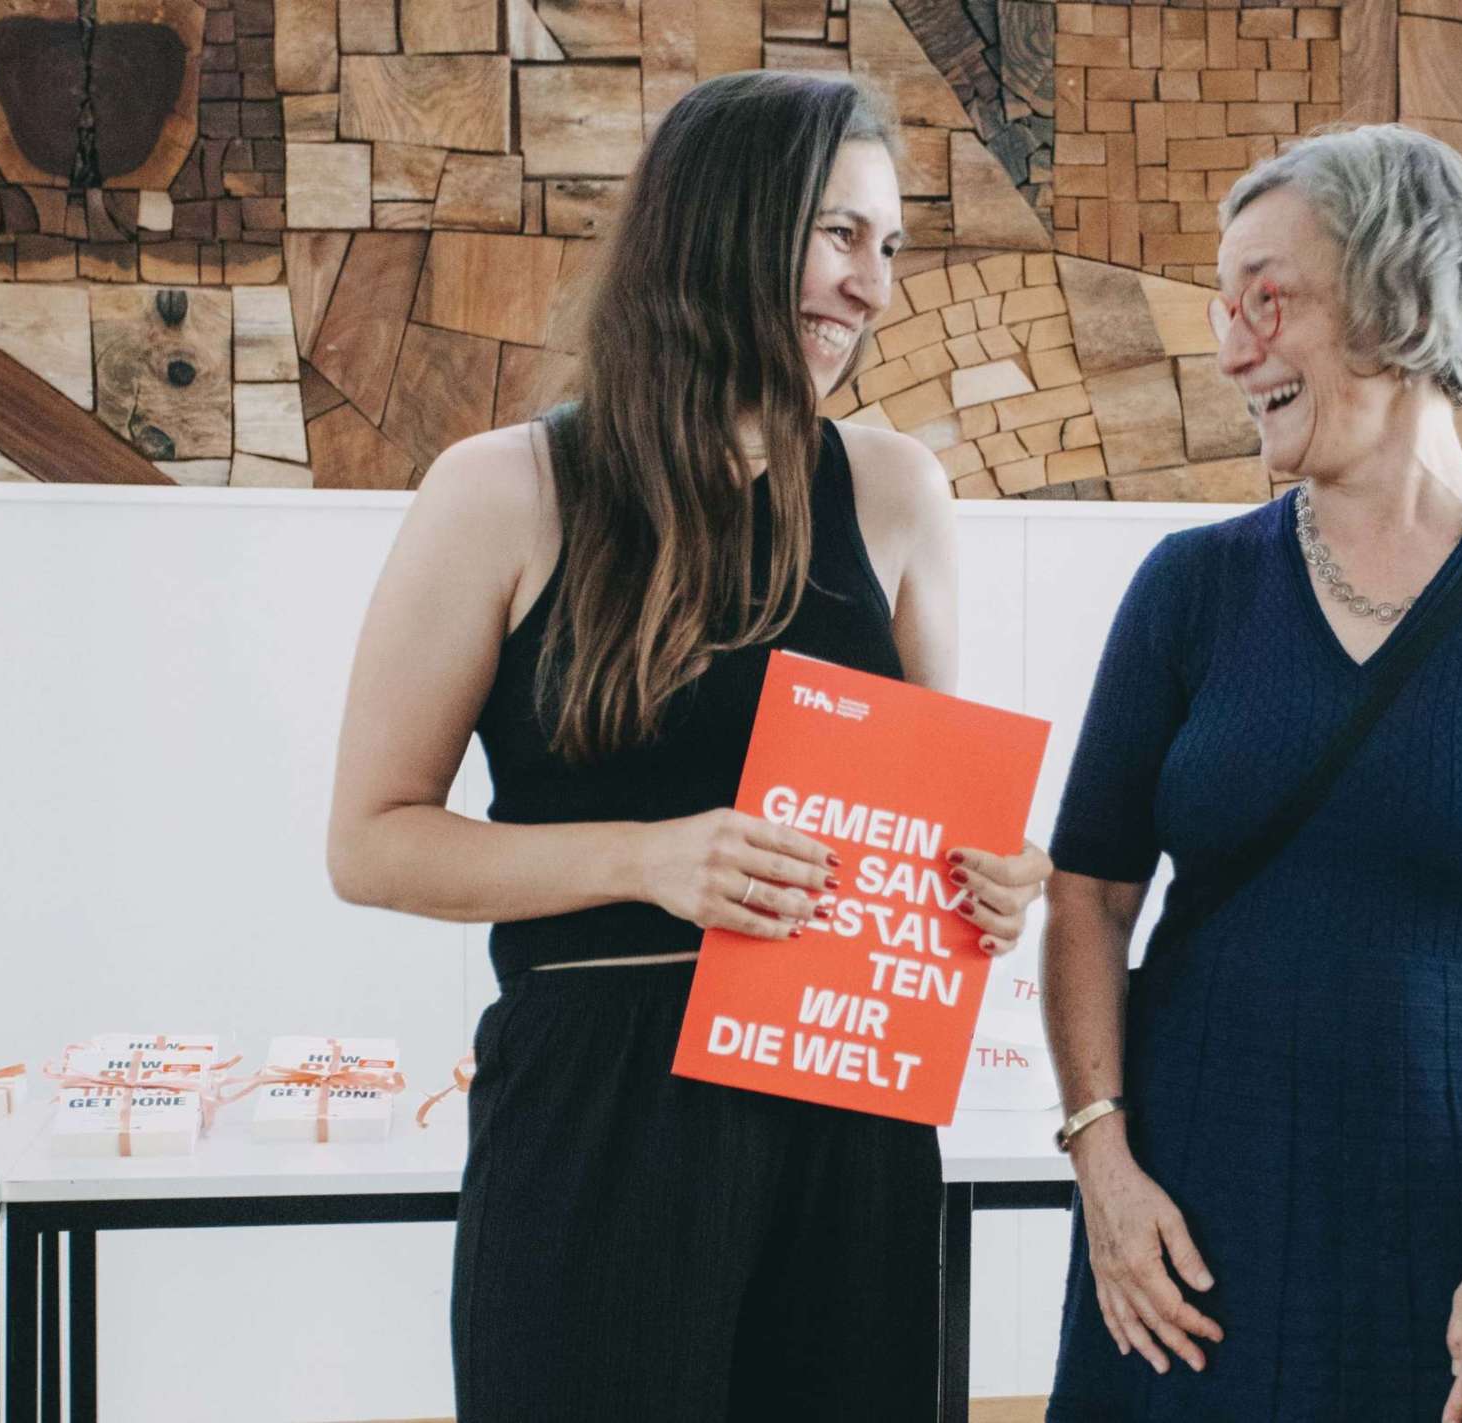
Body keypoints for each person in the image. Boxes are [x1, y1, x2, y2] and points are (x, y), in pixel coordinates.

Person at [324, 71, 1050, 1421]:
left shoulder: (896, 491)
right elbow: (372, 843)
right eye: (839, 236)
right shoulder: (503, 490)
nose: (870, 286)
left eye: (887, 248)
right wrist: (652, 857)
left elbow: (934, 832)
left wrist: (992, 882)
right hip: (604, 1106)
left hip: (849, 1108)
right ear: (722, 226)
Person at [1039, 126, 1462, 1423]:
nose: (1231, 348)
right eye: (1226, 308)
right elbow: (1086, 897)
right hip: (1193, 1232)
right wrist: (1101, 1163)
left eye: (1266, 297)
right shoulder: (1189, 593)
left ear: (1401, 297)